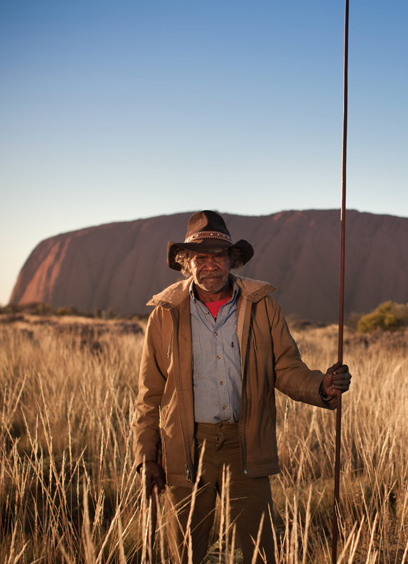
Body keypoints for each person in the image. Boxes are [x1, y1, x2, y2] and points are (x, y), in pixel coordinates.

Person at [133, 210, 351, 564]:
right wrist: (146, 455)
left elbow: (285, 368)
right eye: (200, 257)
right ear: (187, 263)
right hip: (186, 447)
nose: (210, 265)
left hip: (245, 444)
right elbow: (149, 393)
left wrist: (321, 386)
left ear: (231, 259)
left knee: (259, 550)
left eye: (218, 256)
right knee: (185, 552)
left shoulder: (261, 306)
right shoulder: (165, 313)